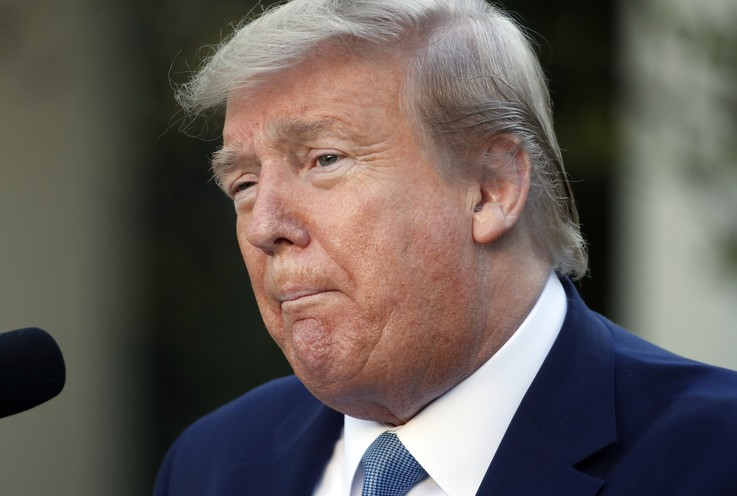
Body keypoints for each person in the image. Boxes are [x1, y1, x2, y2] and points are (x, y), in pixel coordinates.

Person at [154, 0, 737, 494]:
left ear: (491, 188)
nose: (265, 226)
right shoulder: (211, 465)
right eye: (245, 184)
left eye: (325, 159)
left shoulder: (714, 457)